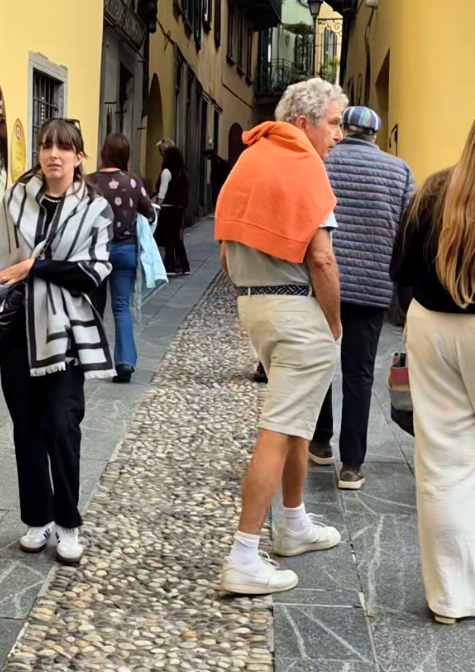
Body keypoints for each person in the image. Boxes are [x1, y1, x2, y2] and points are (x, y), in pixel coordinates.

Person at [0, 120, 113, 565]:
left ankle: (68, 522)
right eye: (46, 146)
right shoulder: (16, 199)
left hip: (65, 335)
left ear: (78, 157)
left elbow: (92, 271)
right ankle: (37, 518)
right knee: (27, 429)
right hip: (17, 333)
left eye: (63, 148)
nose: (53, 154)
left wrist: (35, 267)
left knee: (62, 427)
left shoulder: (96, 209)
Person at [215, 78, 346, 595]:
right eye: (333, 123)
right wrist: (332, 324)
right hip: (297, 310)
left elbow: (225, 252)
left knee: (294, 422)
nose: (337, 135)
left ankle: (294, 524)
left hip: (256, 305)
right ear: (303, 123)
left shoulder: (248, 161)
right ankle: (245, 554)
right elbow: (322, 257)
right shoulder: (303, 167)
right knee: (278, 428)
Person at [390, 121, 475, 625]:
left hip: (434, 324)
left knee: (442, 464)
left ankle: (449, 598)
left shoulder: (435, 190)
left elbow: (400, 268)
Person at [309, 106, 416, 489]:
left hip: (325, 282)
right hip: (373, 287)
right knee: (359, 373)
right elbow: (409, 230)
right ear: (374, 135)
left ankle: (320, 442)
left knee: (321, 362)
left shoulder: (322, 163)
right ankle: (351, 465)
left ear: (344, 129)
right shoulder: (399, 170)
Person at [87, 133, 154, 383]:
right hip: (125, 251)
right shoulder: (134, 183)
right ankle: (124, 361)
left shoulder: (90, 182)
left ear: (104, 153)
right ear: (126, 155)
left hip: (96, 252)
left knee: (94, 306)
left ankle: (91, 358)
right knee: (120, 307)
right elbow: (148, 211)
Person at [155, 145, 190, 276]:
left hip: (168, 208)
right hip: (179, 208)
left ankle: (170, 265)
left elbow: (162, 193)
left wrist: (158, 204)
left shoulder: (167, 172)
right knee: (177, 237)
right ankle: (184, 264)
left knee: (168, 236)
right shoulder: (182, 172)